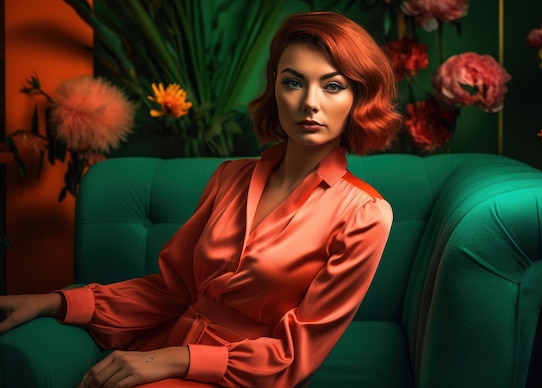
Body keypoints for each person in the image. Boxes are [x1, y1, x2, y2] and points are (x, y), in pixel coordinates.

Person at [0, 11, 402, 387]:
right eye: (293, 82)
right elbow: (170, 291)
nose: (309, 102)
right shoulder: (230, 177)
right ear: (275, 87)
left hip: (243, 375)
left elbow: (295, 355)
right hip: (162, 347)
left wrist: (176, 359)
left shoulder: (365, 214)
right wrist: (54, 302)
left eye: (332, 86)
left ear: (357, 98)